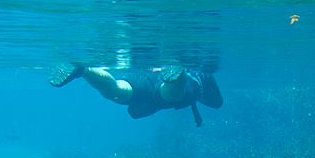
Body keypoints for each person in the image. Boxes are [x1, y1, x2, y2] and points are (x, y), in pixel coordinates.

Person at [49, 64, 223, 126]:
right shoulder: (204, 77)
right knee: (170, 94)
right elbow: (217, 103)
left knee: (117, 90)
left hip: (142, 76)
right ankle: (179, 74)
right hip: (165, 91)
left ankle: (83, 70)